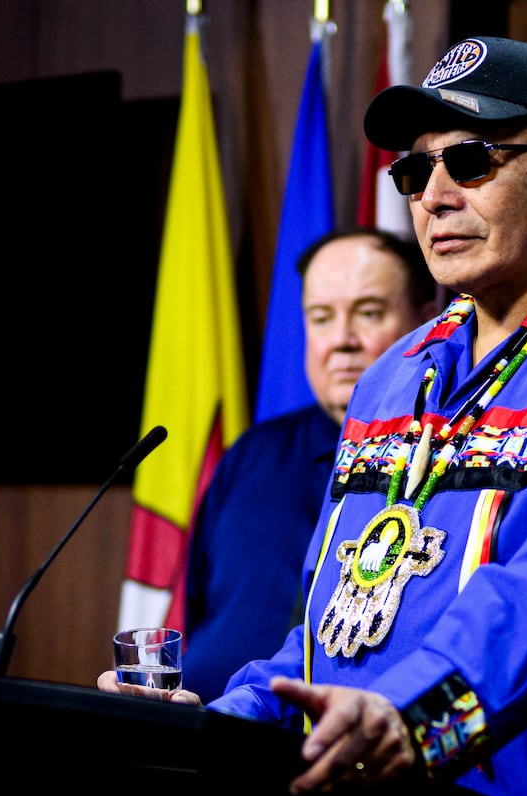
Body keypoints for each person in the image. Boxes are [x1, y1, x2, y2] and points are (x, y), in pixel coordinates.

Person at [102, 36, 527, 796]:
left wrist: (414, 714)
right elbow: (333, 636)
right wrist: (221, 724)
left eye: (471, 160)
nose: (433, 195)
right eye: (413, 170)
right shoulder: (392, 376)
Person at [182, 227, 438, 701]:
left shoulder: (457, 465)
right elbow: (197, 609)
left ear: (428, 323)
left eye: (368, 313)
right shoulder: (252, 455)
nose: (341, 341)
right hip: (203, 726)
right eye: (321, 318)